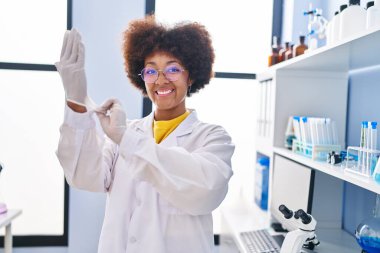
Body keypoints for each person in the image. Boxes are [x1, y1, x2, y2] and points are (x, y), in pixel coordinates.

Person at [55, 15, 235, 253]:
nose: (161, 80)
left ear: (190, 76)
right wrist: (76, 101)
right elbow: (84, 177)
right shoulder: (126, 133)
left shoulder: (212, 138)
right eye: (151, 71)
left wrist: (125, 139)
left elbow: (206, 191)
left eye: (173, 69)